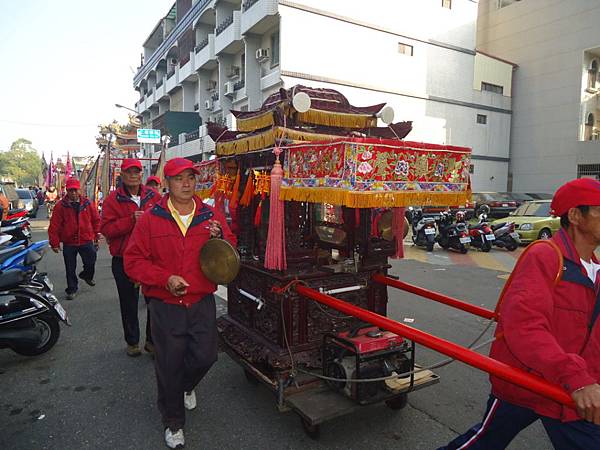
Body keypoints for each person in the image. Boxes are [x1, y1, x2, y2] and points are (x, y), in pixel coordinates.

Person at [438, 178, 600, 450]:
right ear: (575, 215)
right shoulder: (546, 256)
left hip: (571, 392)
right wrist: (577, 378)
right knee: (484, 442)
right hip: (531, 381)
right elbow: (525, 326)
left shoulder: (595, 268)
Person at [124, 157, 236, 449]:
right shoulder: (151, 218)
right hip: (166, 305)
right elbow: (133, 261)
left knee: (206, 356)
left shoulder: (210, 215)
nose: (186, 184)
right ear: (167, 183)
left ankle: (186, 385)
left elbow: (230, 248)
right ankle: (173, 422)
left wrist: (221, 236)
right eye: (178, 178)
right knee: (169, 365)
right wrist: (165, 279)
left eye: (190, 177)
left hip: (201, 301)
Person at [100, 159, 161, 357]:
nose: (133, 175)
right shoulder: (112, 200)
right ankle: (132, 341)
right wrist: (131, 220)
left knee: (156, 301)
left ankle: (152, 341)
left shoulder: (154, 196)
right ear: (122, 174)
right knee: (129, 302)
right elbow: (106, 229)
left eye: (137, 171)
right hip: (124, 259)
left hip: (151, 258)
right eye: (129, 172)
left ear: (141, 174)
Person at [48, 178, 100, 300]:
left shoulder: (87, 203)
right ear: (67, 191)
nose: (73, 193)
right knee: (70, 267)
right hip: (69, 242)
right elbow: (54, 225)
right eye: (71, 190)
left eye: (75, 190)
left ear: (79, 190)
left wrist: (97, 233)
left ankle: (87, 275)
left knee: (91, 260)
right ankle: (72, 289)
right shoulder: (60, 206)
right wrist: (54, 243)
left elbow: (96, 220)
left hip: (86, 239)